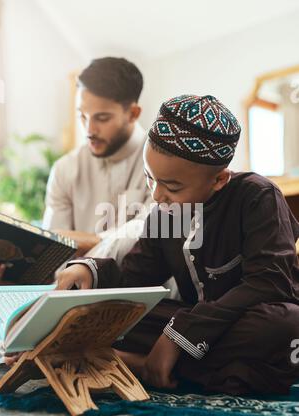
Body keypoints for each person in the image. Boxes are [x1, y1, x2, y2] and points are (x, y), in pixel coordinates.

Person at [32, 95, 299, 394]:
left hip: (249, 321)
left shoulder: (257, 196)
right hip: (194, 326)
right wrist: (90, 270)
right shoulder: (164, 214)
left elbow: (269, 283)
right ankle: (181, 367)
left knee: (285, 326)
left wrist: (179, 334)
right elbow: (133, 282)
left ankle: (140, 363)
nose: (157, 196)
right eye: (150, 179)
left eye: (172, 186)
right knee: (111, 311)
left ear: (219, 179)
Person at [43, 57, 151, 257]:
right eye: (82, 116)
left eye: (102, 118)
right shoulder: (64, 169)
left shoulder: (166, 165)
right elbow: (52, 251)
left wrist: (89, 242)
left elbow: (154, 238)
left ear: (133, 114)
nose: (89, 130)